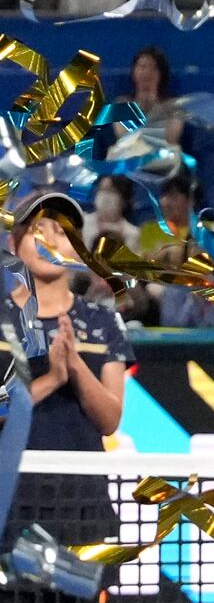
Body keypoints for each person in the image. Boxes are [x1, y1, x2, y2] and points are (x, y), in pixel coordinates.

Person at [1, 189, 130, 543]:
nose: (50, 240)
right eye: (38, 230)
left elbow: (110, 420)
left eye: (62, 232)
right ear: (14, 247)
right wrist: (51, 380)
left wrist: (74, 365)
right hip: (8, 500)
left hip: (82, 504)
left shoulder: (103, 321)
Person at [119, 45, 184, 145]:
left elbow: (171, 139)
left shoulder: (174, 107)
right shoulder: (122, 104)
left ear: (161, 74)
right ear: (134, 72)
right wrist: (141, 106)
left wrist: (154, 107)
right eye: (142, 67)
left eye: (153, 68)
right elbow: (124, 137)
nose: (147, 72)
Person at [139, 173, 197, 269]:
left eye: (173, 196)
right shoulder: (150, 229)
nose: (164, 202)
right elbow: (144, 264)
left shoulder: (207, 229)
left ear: (191, 200)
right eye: (163, 196)